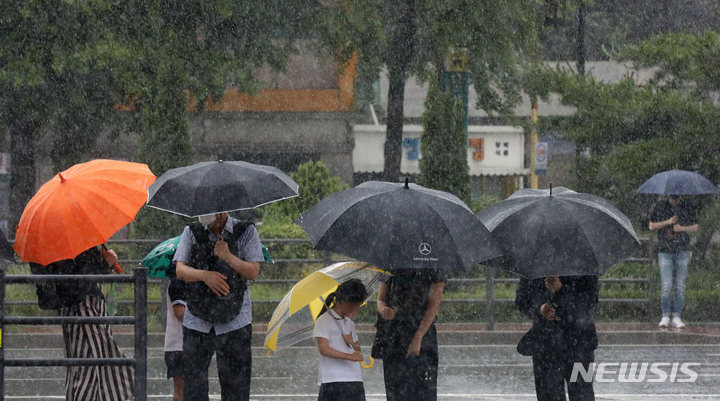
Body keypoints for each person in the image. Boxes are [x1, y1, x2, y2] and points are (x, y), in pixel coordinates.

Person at [173, 212, 264, 401]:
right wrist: (205, 276)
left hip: (236, 320)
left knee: (236, 388)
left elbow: (253, 271)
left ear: (221, 213)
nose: (209, 225)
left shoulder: (245, 230)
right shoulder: (191, 231)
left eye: (212, 219)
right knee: (193, 388)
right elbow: (180, 270)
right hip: (197, 319)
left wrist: (228, 256)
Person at [31, 245, 134, 401]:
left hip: (72, 310)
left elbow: (70, 280)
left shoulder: (46, 244)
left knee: (87, 365)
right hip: (84, 309)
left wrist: (101, 266)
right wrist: (105, 263)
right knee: (92, 365)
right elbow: (81, 279)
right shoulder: (75, 242)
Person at [515, 275, 598, 401]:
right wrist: (540, 308)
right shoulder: (534, 267)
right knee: (549, 394)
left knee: (582, 393)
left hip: (580, 342)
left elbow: (590, 299)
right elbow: (522, 300)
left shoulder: (583, 264)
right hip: (545, 343)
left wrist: (562, 289)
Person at [374, 269, 445, 401]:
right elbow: (380, 299)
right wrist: (384, 310)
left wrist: (418, 338)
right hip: (394, 334)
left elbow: (433, 306)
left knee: (423, 389)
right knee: (395, 389)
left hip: (423, 333)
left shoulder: (433, 265)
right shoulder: (391, 263)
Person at [313, 278, 368, 401]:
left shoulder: (349, 323)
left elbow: (358, 350)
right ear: (345, 301)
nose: (356, 309)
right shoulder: (323, 320)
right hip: (333, 379)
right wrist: (350, 357)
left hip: (354, 378)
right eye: (355, 305)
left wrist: (353, 344)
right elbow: (324, 349)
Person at [649, 195, 699, 328]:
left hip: (682, 250)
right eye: (673, 197)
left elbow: (695, 227)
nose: (676, 200)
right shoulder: (660, 206)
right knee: (666, 285)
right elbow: (652, 226)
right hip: (665, 251)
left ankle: (677, 315)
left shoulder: (687, 207)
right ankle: (665, 315)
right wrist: (668, 222)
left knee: (680, 286)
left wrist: (681, 228)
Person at [165, 279, 188, 401]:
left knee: (187, 391)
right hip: (178, 345)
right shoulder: (177, 283)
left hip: (183, 344)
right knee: (181, 392)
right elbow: (180, 313)